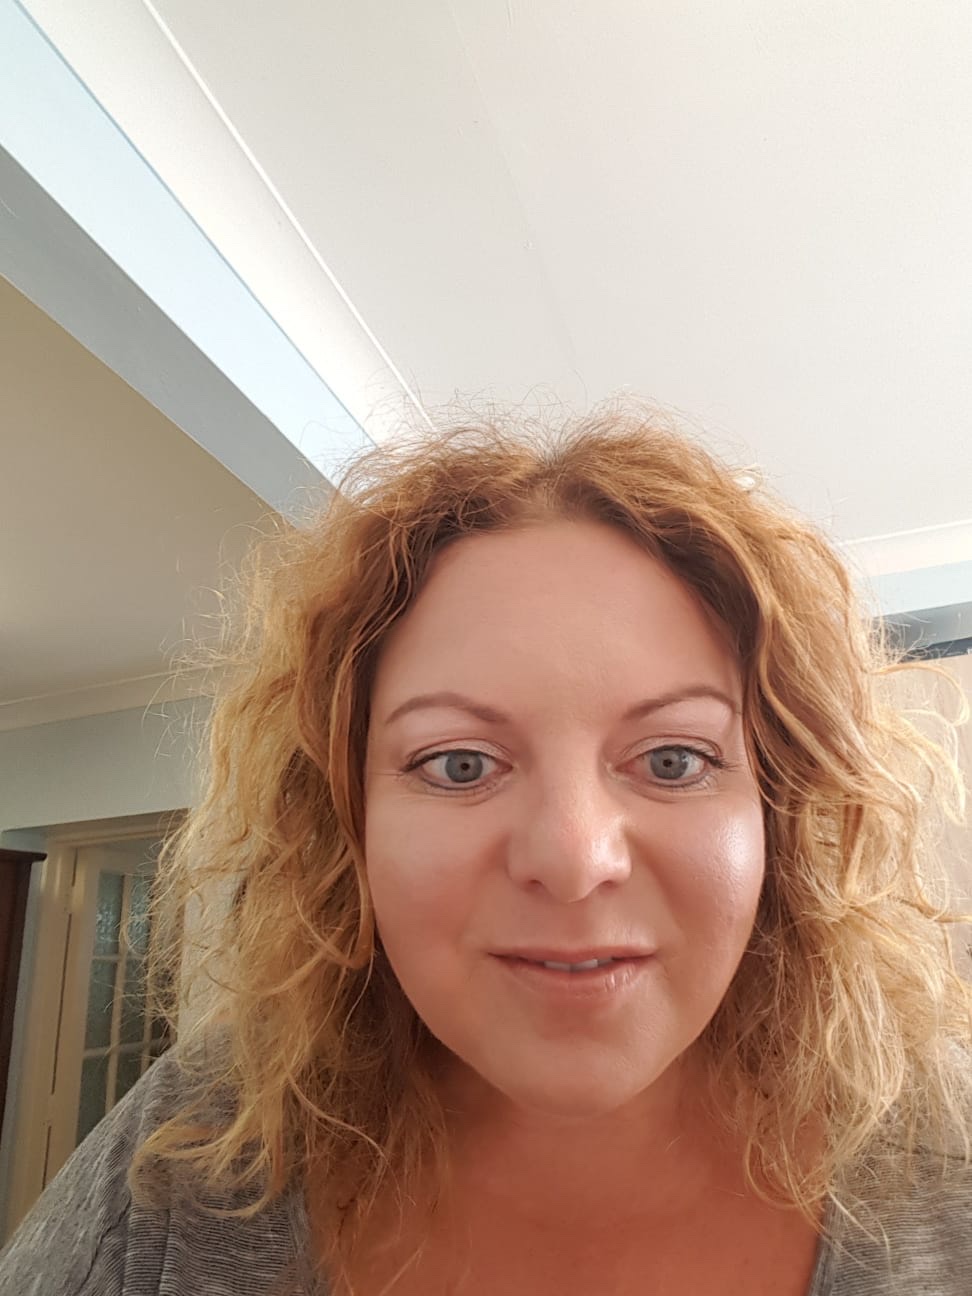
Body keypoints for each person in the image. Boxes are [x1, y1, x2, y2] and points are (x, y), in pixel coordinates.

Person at [2, 405, 970, 1295]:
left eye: (674, 759)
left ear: (780, 814)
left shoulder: (947, 1157)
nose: (574, 861)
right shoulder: (199, 1152)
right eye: (459, 764)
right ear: (349, 823)